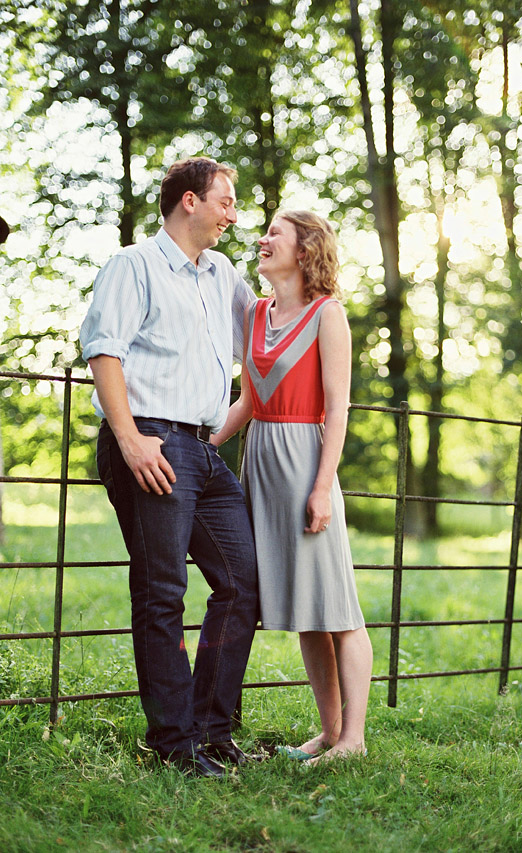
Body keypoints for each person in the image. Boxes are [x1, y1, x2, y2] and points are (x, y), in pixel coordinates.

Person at [79, 157, 260, 778]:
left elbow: (265, 327)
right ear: (189, 201)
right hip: (151, 440)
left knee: (242, 583)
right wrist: (129, 439)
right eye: (225, 202)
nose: (233, 215)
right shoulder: (134, 265)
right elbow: (104, 351)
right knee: (162, 592)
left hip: (206, 449)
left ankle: (212, 730)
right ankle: (173, 743)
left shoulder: (223, 273)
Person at [214, 210, 373, 762]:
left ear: (304, 250)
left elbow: (338, 408)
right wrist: (205, 445)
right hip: (260, 461)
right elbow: (251, 402)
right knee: (309, 610)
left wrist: (323, 487)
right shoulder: (256, 315)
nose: (262, 238)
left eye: (275, 232)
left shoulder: (329, 315)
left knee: (338, 607)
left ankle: (353, 740)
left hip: (307, 461)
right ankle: (329, 733)